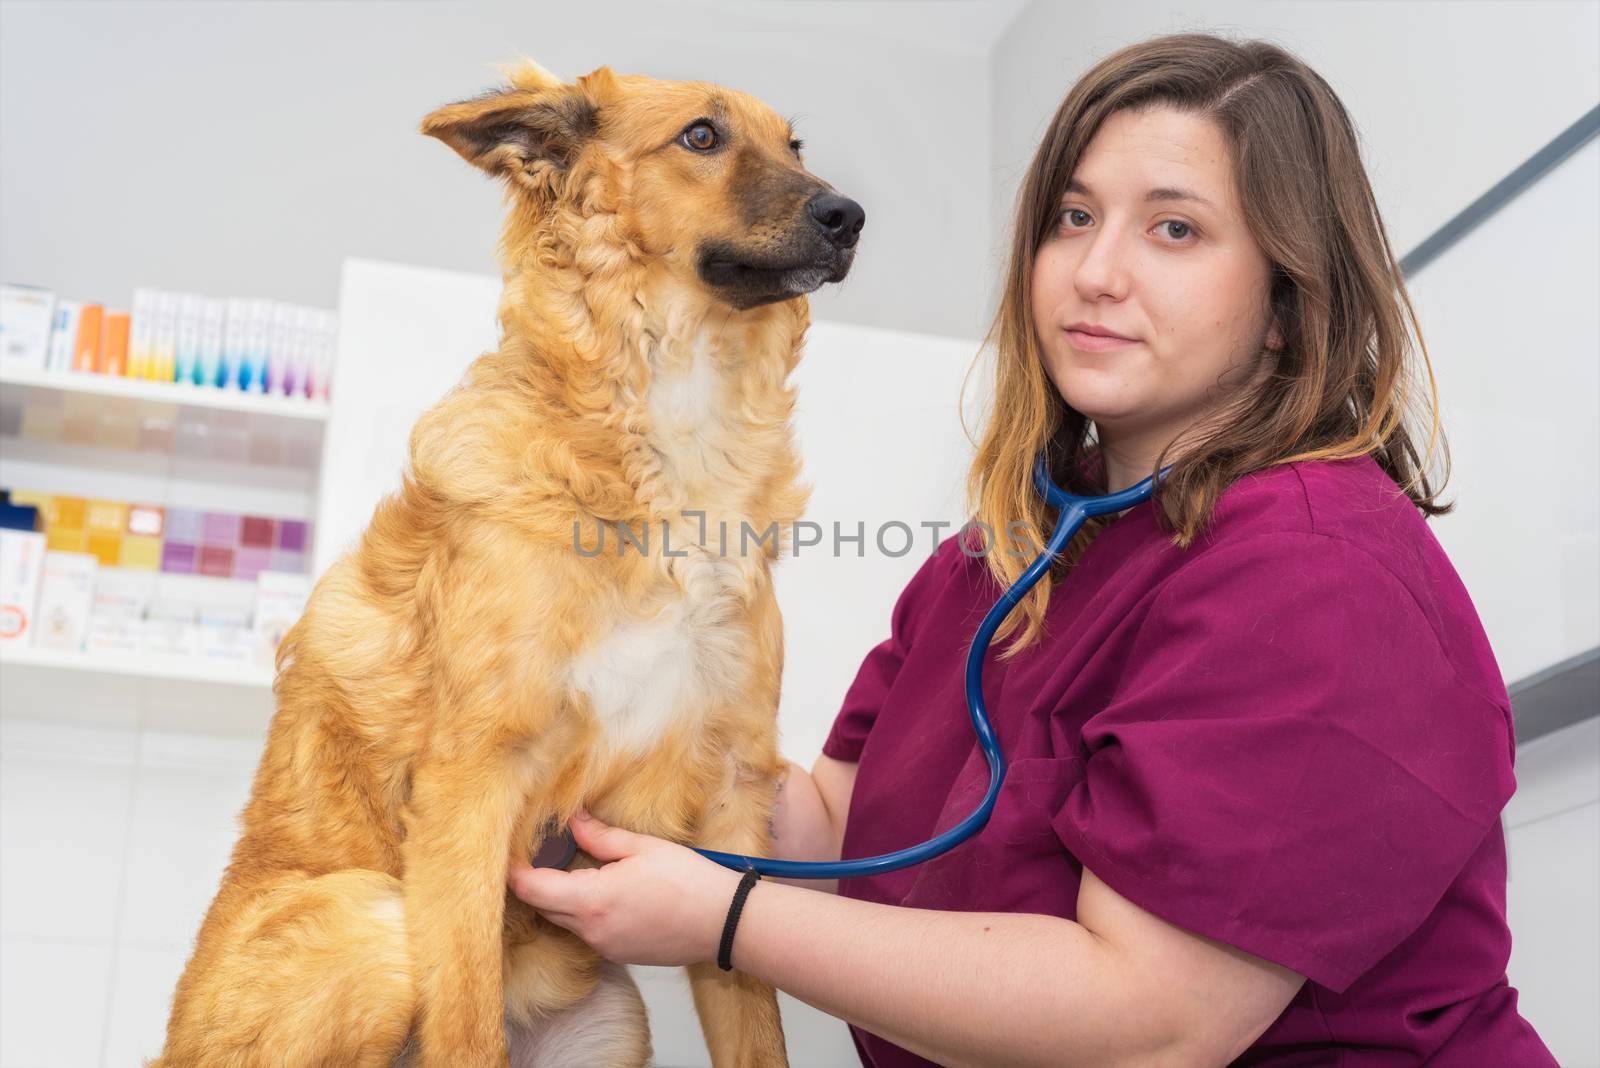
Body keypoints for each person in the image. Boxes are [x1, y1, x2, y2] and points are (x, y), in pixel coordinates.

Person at [509, 31, 1558, 1067]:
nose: (1095, 273)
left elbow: (1151, 1021)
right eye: (1073, 217)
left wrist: (723, 919)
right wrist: (597, 746)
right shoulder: (1004, 549)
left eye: (1175, 230)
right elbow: (837, 820)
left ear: (1284, 300)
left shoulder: (1316, 574)